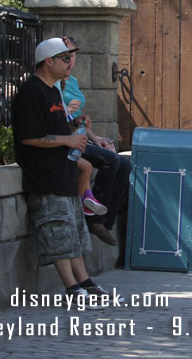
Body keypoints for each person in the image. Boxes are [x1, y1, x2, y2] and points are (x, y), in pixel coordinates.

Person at [11, 37, 123, 306]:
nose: (69, 63)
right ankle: (72, 289)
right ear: (48, 61)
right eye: (64, 58)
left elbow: (60, 129)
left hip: (64, 173)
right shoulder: (31, 92)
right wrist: (67, 140)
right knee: (58, 233)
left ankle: (86, 283)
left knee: (73, 233)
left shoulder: (54, 91)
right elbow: (28, 137)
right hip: (44, 176)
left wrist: (77, 128)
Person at [56, 35, 131, 247]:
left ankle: (105, 222)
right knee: (110, 161)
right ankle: (93, 216)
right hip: (65, 139)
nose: (70, 59)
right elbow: (58, 120)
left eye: (72, 54)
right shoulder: (54, 84)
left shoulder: (72, 81)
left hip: (78, 134)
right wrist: (67, 116)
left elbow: (76, 119)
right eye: (65, 55)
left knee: (124, 163)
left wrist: (96, 138)